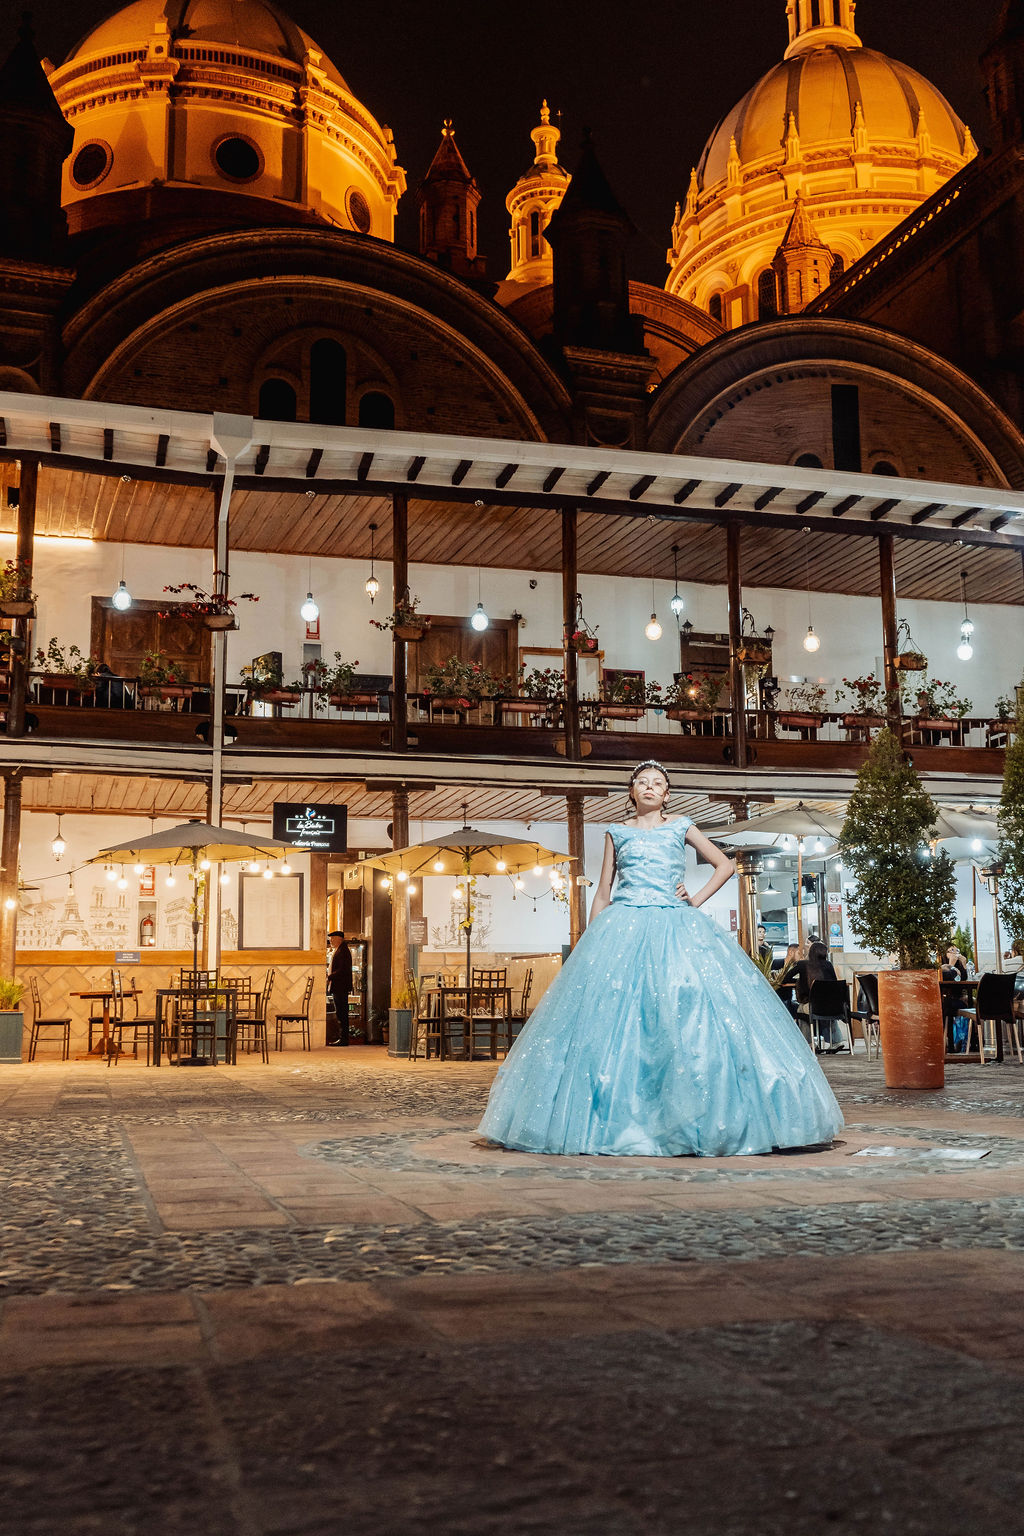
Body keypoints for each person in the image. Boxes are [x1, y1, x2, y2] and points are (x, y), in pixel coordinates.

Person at [477, 761, 843, 1157]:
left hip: (675, 924)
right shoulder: (617, 833)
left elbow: (725, 864)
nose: (650, 787)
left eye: (658, 783)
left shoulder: (680, 825)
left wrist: (696, 899)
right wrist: (590, 938)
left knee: (685, 1007)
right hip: (623, 924)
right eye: (642, 782)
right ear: (631, 791)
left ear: (667, 794)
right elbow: (603, 891)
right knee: (617, 1019)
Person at [787, 940, 845, 1052]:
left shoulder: (802, 964)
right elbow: (834, 982)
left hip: (813, 1007)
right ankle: (837, 1041)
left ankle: (809, 1043)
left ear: (811, 952)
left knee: (801, 1010)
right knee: (825, 1010)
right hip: (833, 1006)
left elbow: (786, 978)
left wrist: (800, 981)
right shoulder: (828, 965)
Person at [326, 929, 352, 1046]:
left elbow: (342, 970)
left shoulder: (343, 951)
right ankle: (343, 1038)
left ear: (339, 939)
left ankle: (344, 1039)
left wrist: (330, 976)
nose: (330, 940)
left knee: (342, 1013)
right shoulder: (339, 950)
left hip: (340, 987)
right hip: (338, 986)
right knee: (340, 1012)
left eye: (333, 938)